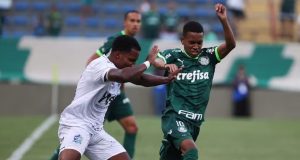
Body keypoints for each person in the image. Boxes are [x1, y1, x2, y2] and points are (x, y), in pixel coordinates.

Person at [58, 35, 180, 160]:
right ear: (117, 55)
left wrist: (166, 79)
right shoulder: (100, 66)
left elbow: (141, 79)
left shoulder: (120, 68)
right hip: (77, 124)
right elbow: (124, 76)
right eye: (131, 60)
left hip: (96, 130)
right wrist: (149, 62)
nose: (132, 65)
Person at [49, 10, 142, 160]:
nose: (135, 24)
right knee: (83, 130)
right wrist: (93, 83)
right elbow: (92, 60)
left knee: (131, 127)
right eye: (132, 21)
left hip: (117, 95)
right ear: (124, 22)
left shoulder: (133, 45)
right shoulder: (115, 40)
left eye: (138, 21)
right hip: (101, 94)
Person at [152, 3, 236, 159]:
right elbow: (156, 60)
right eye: (192, 42)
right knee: (191, 151)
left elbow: (231, 45)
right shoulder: (173, 55)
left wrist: (224, 20)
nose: (196, 46)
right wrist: (165, 65)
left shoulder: (208, 56)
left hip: (195, 122)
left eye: (199, 42)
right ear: (182, 40)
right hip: (175, 117)